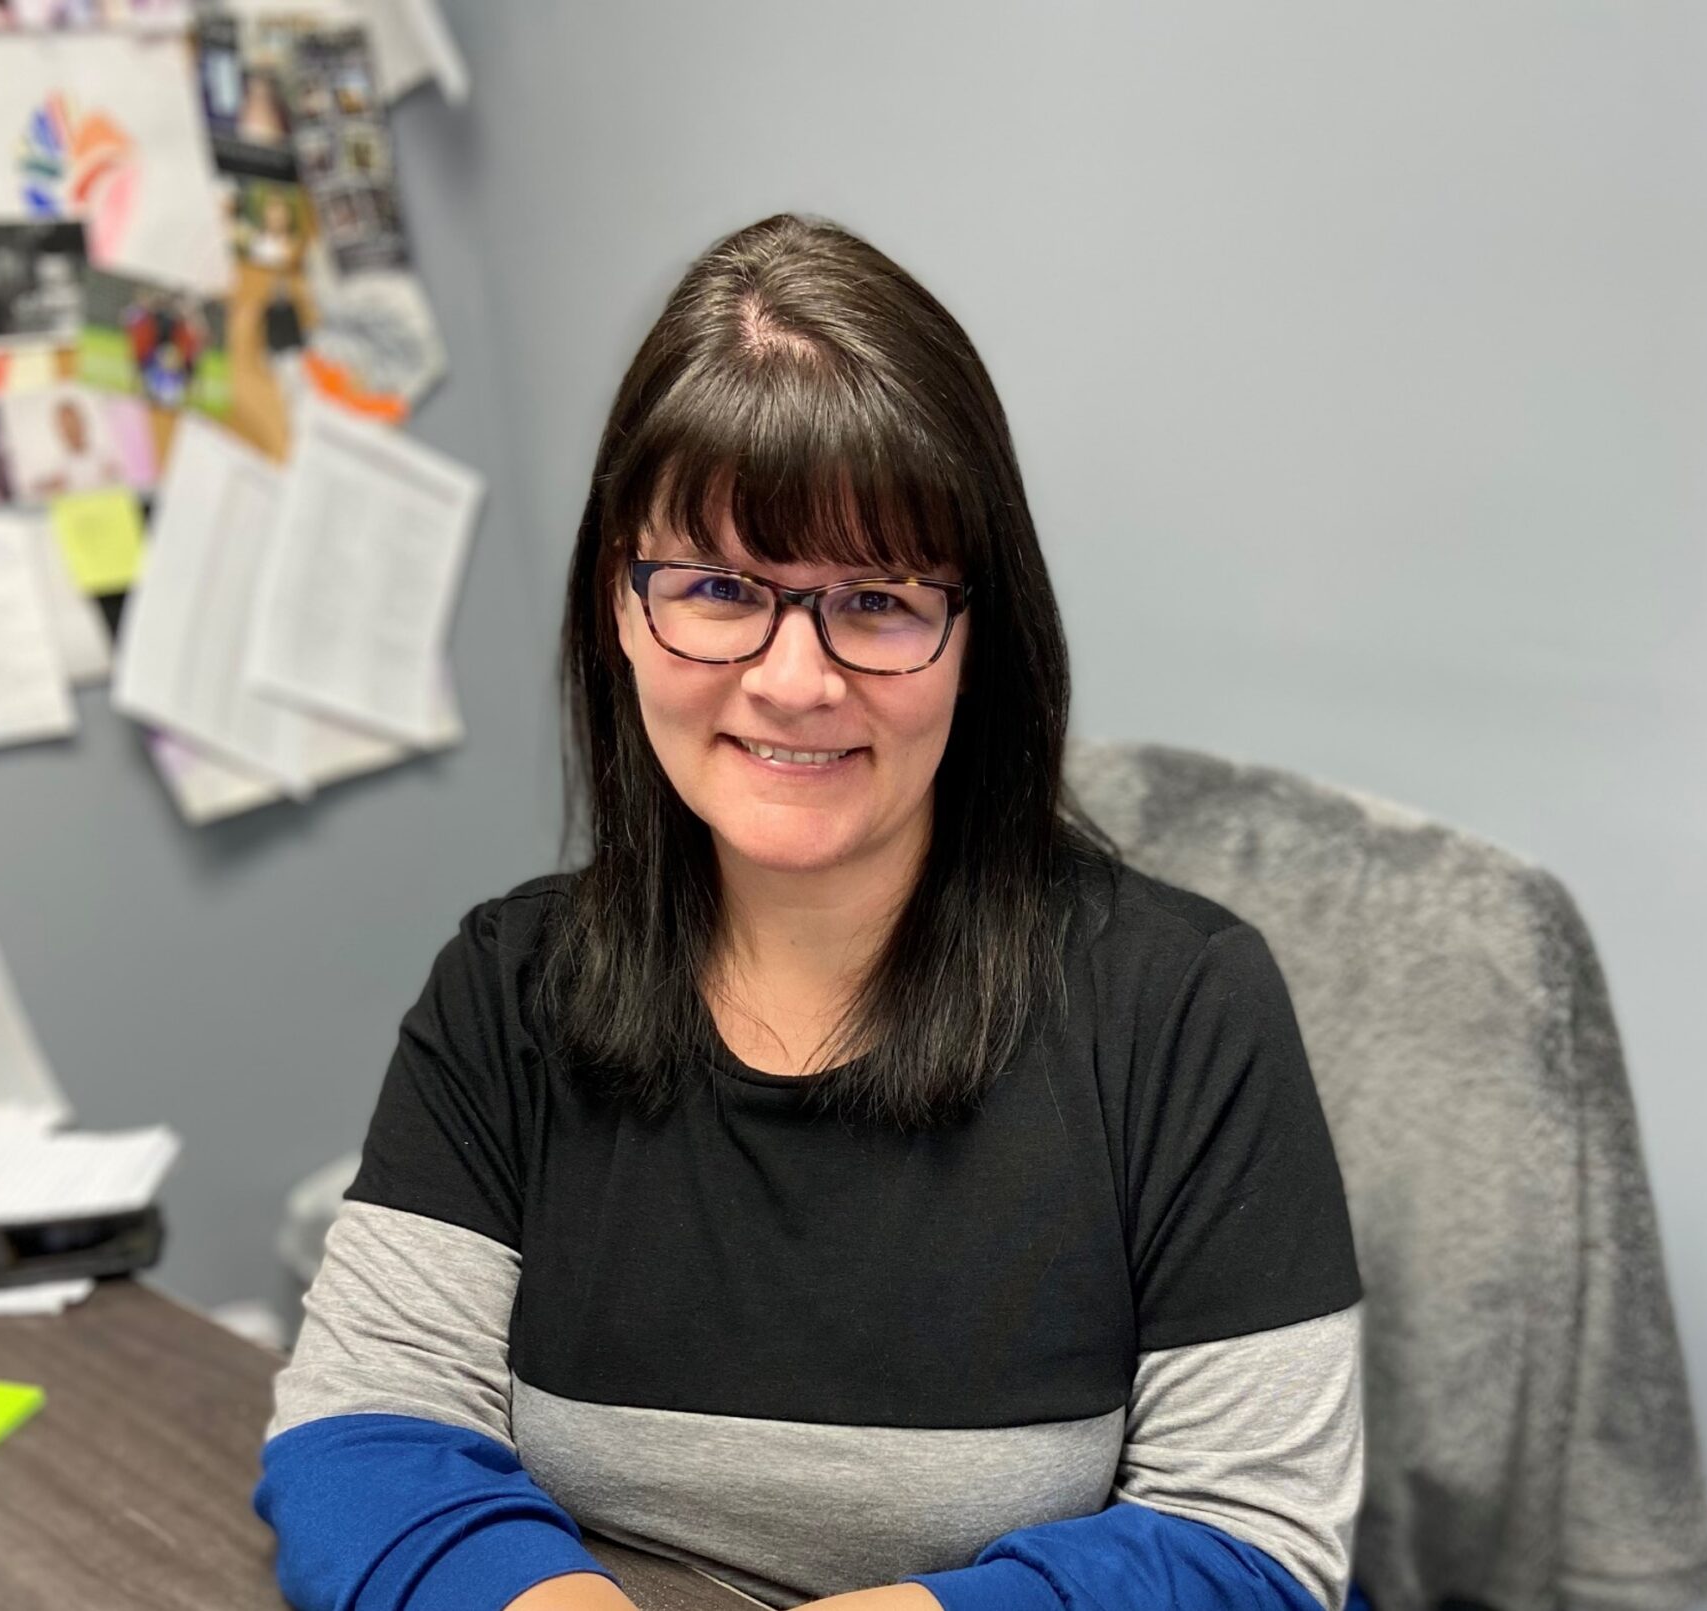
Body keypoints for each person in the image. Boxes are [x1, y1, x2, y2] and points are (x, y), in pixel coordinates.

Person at [254, 213, 1366, 1611]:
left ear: (979, 636)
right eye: (721, 589)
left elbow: (1249, 1541)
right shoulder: (509, 986)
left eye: (878, 601)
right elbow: (364, 1433)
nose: (794, 677)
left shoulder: (1182, 1004)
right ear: (619, 602)